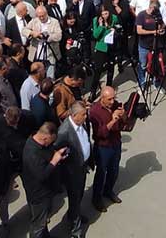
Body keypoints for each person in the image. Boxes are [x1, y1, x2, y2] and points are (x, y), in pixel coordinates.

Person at [22, 122, 68, 238]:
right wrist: (55, 160)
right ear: (45, 137)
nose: (51, 143)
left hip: (46, 191)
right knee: (38, 225)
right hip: (38, 195)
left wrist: (56, 154)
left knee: (42, 221)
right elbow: (41, 175)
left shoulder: (40, 143)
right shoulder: (32, 152)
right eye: (51, 141)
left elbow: (47, 153)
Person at [56, 102, 94, 238]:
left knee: (78, 197)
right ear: (74, 115)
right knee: (74, 198)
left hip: (82, 168)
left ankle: (73, 214)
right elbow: (57, 151)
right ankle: (75, 230)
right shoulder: (64, 132)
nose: (86, 116)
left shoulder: (80, 123)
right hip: (72, 173)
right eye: (83, 114)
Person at [88, 86, 126, 209]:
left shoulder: (115, 105)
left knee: (114, 171)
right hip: (103, 147)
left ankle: (108, 190)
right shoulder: (94, 111)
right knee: (101, 173)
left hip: (116, 143)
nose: (112, 101)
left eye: (114, 98)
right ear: (102, 98)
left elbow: (124, 124)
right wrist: (113, 120)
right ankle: (96, 198)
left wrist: (123, 115)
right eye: (109, 99)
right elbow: (99, 133)